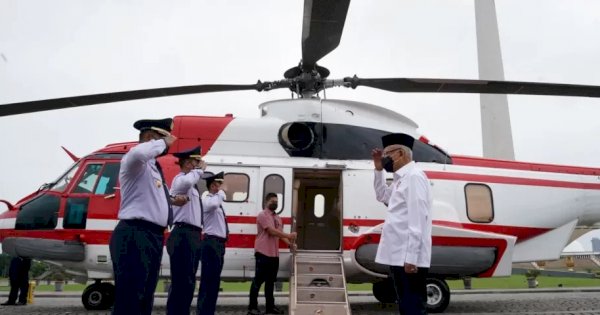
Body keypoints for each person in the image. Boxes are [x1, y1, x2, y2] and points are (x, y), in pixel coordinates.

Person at [109, 118, 186, 315]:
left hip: (152, 236)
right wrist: (162, 142)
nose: (169, 142)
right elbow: (139, 151)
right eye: (165, 136)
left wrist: (172, 200)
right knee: (130, 298)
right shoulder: (134, 160)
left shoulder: (152, 168)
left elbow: (152, 195)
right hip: (135, 234)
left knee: (145, 297)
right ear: (151, 137)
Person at [371, 133, 433, 315]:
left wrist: (411, 258)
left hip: (408, 257)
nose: (384, 158)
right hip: (399, 255)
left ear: (401, 154)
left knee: (413, 307)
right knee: (406, 306)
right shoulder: (401, 180)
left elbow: (418, 219)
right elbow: (382, 195)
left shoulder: (414, 177)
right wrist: (378, 170)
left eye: (387, 154)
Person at [166, 145, 206, 315]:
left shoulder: (192, 186)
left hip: (192, 235)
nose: (200, 164)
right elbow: (189, 180)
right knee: (181, 280)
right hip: (183, 234)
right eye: (196, 162)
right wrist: (199, 170)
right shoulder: (180, 180)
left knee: (188, 280)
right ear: (188, 163)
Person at [247, 193, 297, 315]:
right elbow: (271, 231)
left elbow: (279, 233)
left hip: (274, 255)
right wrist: (288, 236)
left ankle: (270, 307)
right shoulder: (262, 215)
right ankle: (252, 308)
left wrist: (289, 243)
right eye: (272, 201)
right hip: (263, 252)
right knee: (258, 281)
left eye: (276, 201)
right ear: (266, 202)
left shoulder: (278, 218)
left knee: (270, 282)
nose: (275, 203)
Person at [197, 172, 228, 315]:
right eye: (215, 185)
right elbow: (214, 204)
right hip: (211, 242)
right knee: (207, 280)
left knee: (214, 282)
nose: (218, 188)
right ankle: (203, 311)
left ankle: (210, 310)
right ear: (209, 186)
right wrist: (221, 193)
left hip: (219, 244)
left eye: (219, 185)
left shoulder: (216, 202)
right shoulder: (206, 197)